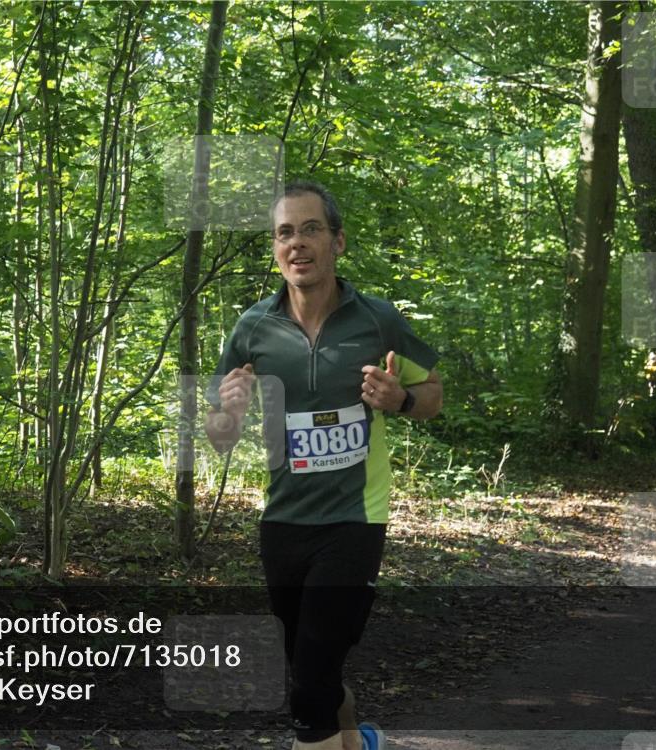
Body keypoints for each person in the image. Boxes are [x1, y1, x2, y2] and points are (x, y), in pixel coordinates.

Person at [205, 180, 442, 750]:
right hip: (284, 520)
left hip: (355, 518)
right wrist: (229, 413)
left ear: (337, 241)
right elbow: (217, 436)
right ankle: (360, 743)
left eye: (311, 229)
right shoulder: (252, 329)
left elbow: (432, 393)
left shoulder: (377, 320)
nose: (298, 243)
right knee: (314, 665)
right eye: (285, 232)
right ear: (275, 249)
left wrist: (401, 400)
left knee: (309, 679)